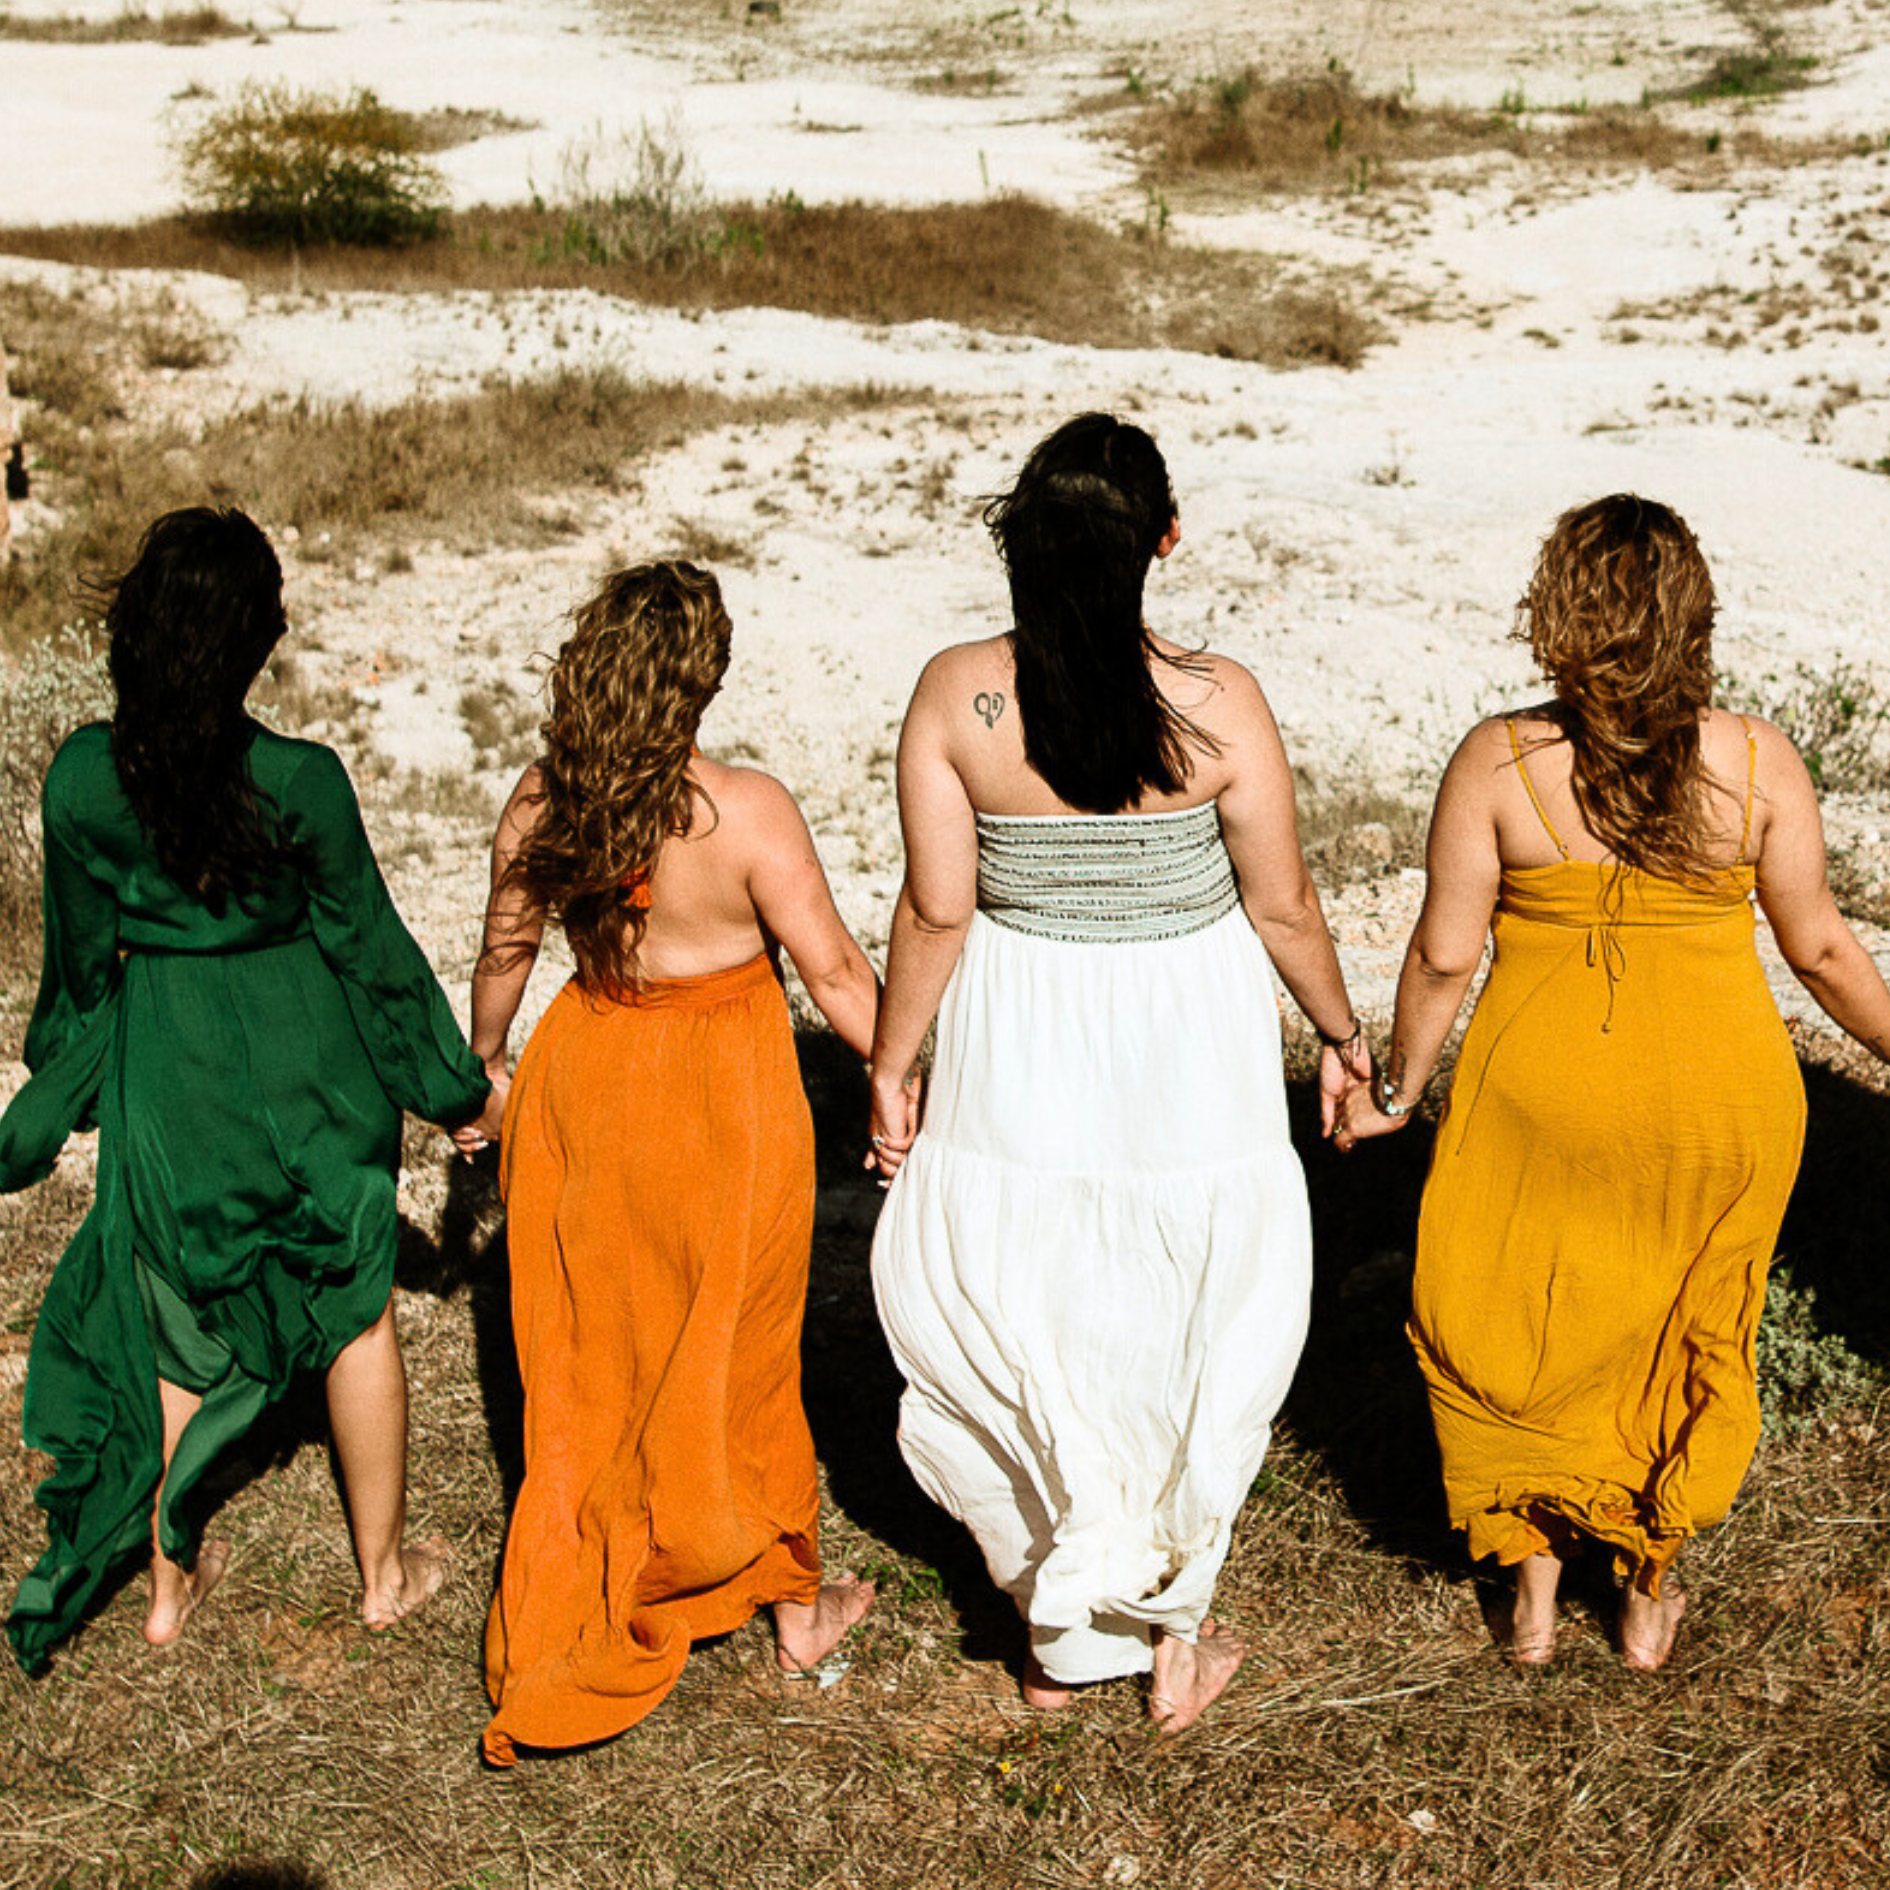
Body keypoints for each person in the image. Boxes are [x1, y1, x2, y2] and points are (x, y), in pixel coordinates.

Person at [867, 413, 1367, 1731]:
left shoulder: (957, 695)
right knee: (1188, 1306)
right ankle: (1167, 1635)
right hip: (1182, 1027)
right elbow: (1282, 904)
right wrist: (1340, 1035)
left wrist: (890, 1065)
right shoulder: (1219, 701)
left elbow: (935, 911)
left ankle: (1055, 1637)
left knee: (1027, 1293)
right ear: (1164, 539)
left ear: (1023, 540)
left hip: (1021, 1017)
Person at [1337, 493, 1890, 1670]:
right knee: (1687, 1327)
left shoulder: (1499, 759)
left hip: (1539, 1086)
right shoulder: (1758, 761)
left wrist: (1398, 1089)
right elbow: (1823, 951)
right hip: (1718, 1096)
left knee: (1533, 1320)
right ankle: (1645, 1595)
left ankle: (1534, 1602)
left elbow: (1443, 954)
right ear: (1696, 616)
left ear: (1559, 615)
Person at [0, 507, 487, 1672]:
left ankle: (168, 1593)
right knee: (353, 1305)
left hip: (171, 1065)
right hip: (306, 1061)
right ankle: (384, 1578)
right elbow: (372, 955)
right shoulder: (301, 782)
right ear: (253, 647)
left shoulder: (82, 781)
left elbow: (79, 961)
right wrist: (451, 1090)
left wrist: (65, 1068)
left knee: (177, 1319)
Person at [463, 560, 880, 1766]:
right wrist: (911, 1072)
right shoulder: (746, 813)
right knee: (744, 1345)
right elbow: (837, 974)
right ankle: (789, 1602)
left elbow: (504, 955)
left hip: (587, 1077)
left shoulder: (544, 800)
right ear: (704, 680)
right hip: (723, 1099)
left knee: (597, 1352)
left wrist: (480, 1072)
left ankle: (614, 1539)